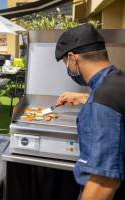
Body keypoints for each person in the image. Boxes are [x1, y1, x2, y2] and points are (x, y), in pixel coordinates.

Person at [55, 24, 125, 200]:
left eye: (66, 63)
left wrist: (94, 101)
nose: (68, 69)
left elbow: (104, 181)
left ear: (73, 58)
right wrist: (84, 98)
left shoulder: (100, 103)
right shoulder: (118, 81)